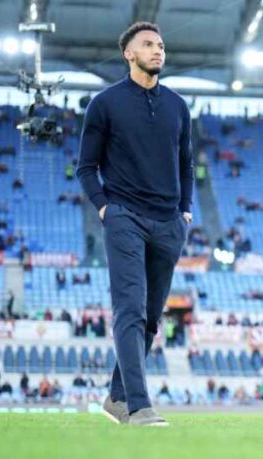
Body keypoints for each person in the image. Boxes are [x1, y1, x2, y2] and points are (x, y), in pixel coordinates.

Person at [77, 21, 193, 427]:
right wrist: (105, 207)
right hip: (124, 216)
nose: (158, 50)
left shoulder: (178, 106)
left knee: (148, 318)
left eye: (161, 44)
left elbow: (187, 165)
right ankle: (139, 407)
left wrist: (186, 210)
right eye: (148, 44)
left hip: (168, 223)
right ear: (129, 54)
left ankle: (116, 397)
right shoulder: (105, 104)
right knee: (128, 309)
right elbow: (86, 168)